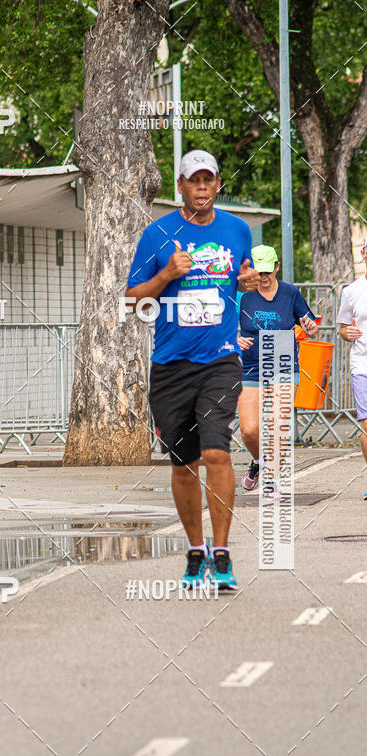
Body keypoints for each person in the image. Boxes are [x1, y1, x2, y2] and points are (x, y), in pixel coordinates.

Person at [125, 149, 260, 589]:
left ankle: (222, 554)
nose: (201, 187)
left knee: (218, 451)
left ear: (218, 184)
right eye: (193, 181)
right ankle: (195, 550)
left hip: (220, 360)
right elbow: (133, 300)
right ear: (179, 186)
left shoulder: (237, 230)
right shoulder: (157, 233)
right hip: (170, 365)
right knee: (184, 464)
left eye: (209, 180)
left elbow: (245, 279)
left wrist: (246, 282)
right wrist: (165, 275)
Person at [237, 245, 318, 493]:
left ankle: (271, 478)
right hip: (252, 367)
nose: (263, 277)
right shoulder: (242, 296)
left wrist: (310, 329)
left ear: (276, 267)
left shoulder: (290, 293)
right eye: (258, 272)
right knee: (249, 429)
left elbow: (310, 325)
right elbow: (221, 327)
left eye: (267, 271)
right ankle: (258, 461)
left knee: (279, 421)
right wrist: (233, 339)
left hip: (283, 362)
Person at [337, 237, 367, 498]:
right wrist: (347, 333)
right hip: (362, 364)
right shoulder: (352, 291)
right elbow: (342, 327)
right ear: (363, 254)